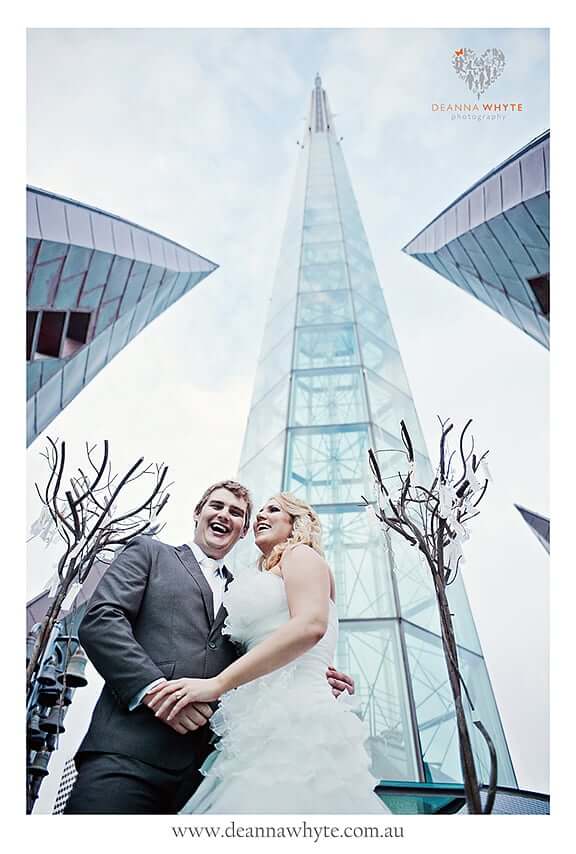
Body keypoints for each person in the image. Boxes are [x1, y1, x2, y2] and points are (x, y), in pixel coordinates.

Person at [64, 480, 353, 815]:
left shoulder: (245, 591)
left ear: (243, 531)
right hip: (128, 753)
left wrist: (311, 671)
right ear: (197, 512)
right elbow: (102, 621)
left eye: (236, 513)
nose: (225, 515)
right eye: (217, 506)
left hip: (206, 770)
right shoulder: (150, 553)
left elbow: (273, 643)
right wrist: (154, 691)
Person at [147, 493, 389, 814]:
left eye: (273, 509)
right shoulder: (260, 575)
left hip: (296, 715)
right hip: (252, 725)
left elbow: (311, 626)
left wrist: (217, 684)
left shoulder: (300, 555)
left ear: (296, 523)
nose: (261, 515)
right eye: (260, 511)